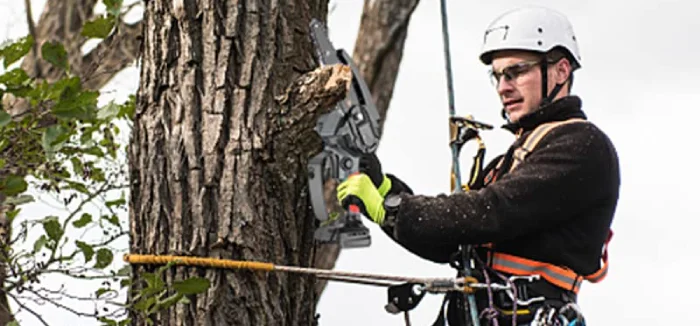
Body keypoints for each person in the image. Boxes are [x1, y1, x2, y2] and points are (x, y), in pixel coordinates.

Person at [336, 6, 620, 326]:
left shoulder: (582, 146)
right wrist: (387, 191)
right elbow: (454, 241)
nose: (503, 87)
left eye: (516, 72)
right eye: (497, 76)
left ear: (561, 70)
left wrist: (390, 209)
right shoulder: (517, 157)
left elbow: (489, 212)